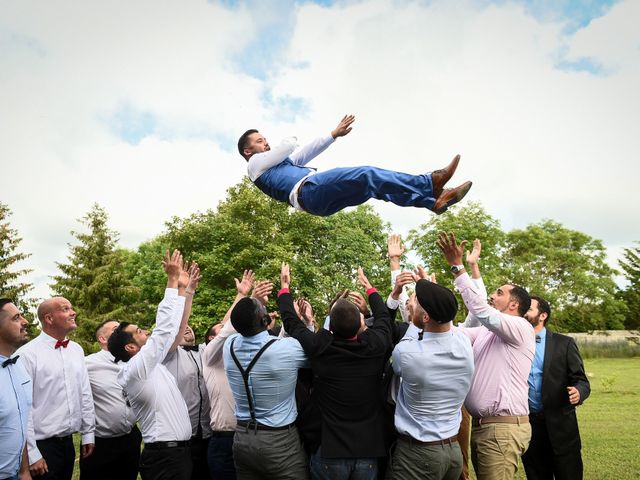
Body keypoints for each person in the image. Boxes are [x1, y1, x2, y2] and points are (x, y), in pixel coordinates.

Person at [278, 263, 392, 480]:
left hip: (329, 451)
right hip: (367, 452)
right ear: (360, 322)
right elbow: (384, 318)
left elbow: (293, 324)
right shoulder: (375, 346)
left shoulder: (320, 348)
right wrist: (370, 288)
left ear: (331, 326)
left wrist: (285, 288)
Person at [437, 232, 535, 480]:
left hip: (502, 429)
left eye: (499, 293)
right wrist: (430, 302)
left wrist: (458, 267)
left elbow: (480, 308)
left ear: (514, 304)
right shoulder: (484, 332)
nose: (493, 295)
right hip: (485, 427)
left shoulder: (520, 328)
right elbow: (453, 333)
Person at [238, 115, 472, 216]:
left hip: (315, 204)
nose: (266, 142)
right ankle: (429, 182)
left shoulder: (276, 166)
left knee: (373, 188)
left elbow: (305, 153)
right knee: (366, 173)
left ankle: (433, 201)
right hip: (309, 189)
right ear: (248, 151)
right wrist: (288, 140)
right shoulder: (256, 164)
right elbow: (289, 147)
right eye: (260, 141)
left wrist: (333, 134)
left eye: (265, 139)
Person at [107, 250, 196, 480]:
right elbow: (164, 329)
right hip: (164, 459)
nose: (145, 332)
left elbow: (171, 330)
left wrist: (182, 290)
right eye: (138, 332)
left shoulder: (152, 365)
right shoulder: (134, 371)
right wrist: (171, 280)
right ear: (130, 348)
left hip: (178, 455)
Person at [223, 270, 309, 480]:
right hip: (279, 440)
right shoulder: (284, 349)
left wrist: (248, 298)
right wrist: (303, 322)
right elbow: (313, 349)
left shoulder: (229, 346)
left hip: (242, 437)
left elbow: (230, 325)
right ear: (264, 320)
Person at [391, 280, 474, 480]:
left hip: (418, 454)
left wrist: (412, 318)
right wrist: (435, 299)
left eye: (416, 302)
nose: (412, 303)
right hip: (453, 450)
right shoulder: (463, 344)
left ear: (426, 316)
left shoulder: (407, 353)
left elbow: (405, 350)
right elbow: (445, 326)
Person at [17, 297, 96, 480]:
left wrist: (88, 433)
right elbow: (23, 408)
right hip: (42, 447)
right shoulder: (27, 355)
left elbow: (84, 393)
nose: (73, 312)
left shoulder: (76, 350)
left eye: (72, 307)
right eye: (65, 309)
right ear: (49, 319)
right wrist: (32, 453)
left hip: (68, 444)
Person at [522, 296, 590, 480]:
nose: (523, 311)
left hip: (561, 427)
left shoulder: (564, 343)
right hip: (529, 427)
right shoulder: (514, 343)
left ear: (542, 315)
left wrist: (579, 393)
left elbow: (581, 381)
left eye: (528, 308)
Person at [80, 319, 141, 480]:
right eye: (116, 329)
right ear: (102, 339)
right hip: (101, 444)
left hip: (131, 438)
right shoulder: (87, 364)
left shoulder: (135, 360)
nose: (122, 331)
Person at [164, 320, 213, 480]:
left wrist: (240, 295)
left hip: (207, 431)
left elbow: (224, 327)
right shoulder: (171, 354)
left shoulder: (204, 351)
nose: (187, 328)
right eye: (182, 327)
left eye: (188, 326)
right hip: (183, 435)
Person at [0, 299, 32, 480]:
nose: (25, 321)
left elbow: (20, 423)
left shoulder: (19, 368)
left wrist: (24, 471)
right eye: (16, 318)